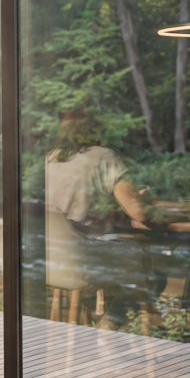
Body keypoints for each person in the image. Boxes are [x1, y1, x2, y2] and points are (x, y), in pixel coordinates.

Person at [45, 108, 157, 329]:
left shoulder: (51, 159)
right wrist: (142, 197)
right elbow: (139, 213)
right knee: (151, 270)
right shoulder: (104, 157)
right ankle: (109, 326)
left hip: (54, 262)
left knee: (122, 260)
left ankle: (97, 326)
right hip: (88, 259)